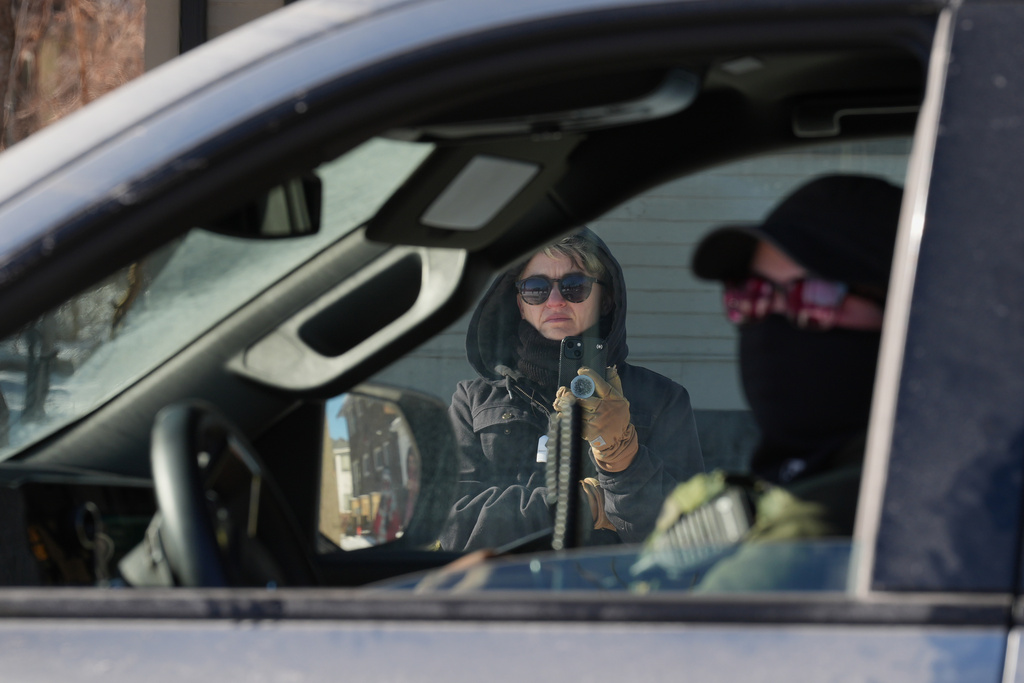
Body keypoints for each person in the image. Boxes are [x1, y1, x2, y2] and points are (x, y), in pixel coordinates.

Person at [635, 174, 902, 590]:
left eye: (813, 296)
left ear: (905, 313)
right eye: (755, 293)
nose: (771, 324)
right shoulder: (794, 483)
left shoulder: (820, 528)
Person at [441, 228, 704, 552]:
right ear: (520, 304)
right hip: (510, 597)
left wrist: (624, 458)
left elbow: (690, 537)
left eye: (574, 286)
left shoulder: (662, 398)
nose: (554, 301)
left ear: (606, 299)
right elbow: (455, 529)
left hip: (613, 595)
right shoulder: (473, 400)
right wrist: (581, 505)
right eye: (536, 288)